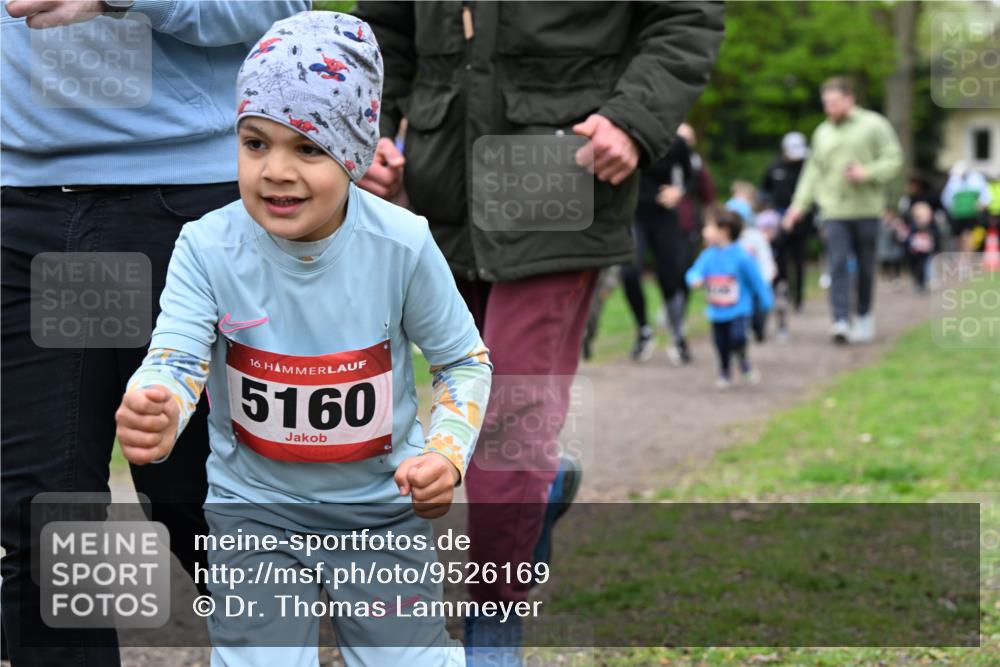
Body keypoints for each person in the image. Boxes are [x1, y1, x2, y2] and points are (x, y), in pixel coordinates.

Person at [351, 2, 725, 663]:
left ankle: (493, 630)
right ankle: (540, 488)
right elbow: (380, 30)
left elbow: (684, 17)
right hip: (442, 191)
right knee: (458, 419)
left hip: (565, 179)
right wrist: (370, 130)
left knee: (506, 420)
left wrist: (632, 120)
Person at [114, 12, 492, 665]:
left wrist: (446, 453)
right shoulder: (206, 246)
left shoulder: (403, 244)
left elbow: (464, 362)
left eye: (308, 148)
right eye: (255, 143)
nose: (275, 171)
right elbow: (175, 353)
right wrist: (159, 402)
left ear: (355, 153)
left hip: (380, 512)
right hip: (252, 516)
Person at [0, 1, 307, 665]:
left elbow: (282, 10)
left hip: (187, 203)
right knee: (40, 519)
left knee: (202, 506)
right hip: (26, 208)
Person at [783, 76, 903, 345]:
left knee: (865, 266)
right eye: (826, 103)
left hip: (867, 210)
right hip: (834, 211)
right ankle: (840, 320)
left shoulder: (874, 125)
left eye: (834, 102)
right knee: (836, 264)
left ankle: (863, 315)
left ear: (850, 99)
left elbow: (894, 159)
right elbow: (811, 173)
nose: (829, 108)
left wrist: (867, 172)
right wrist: (797, 207)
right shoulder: (822, 133)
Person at [622, 134, 694, 362]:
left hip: (664, 216)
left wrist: (679, 192)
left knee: (669, 278)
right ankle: (644, 330)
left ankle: (677, 333)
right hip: (634, 216)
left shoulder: (675, 141)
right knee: (630, 272)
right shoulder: (628, 133)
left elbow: (691, 176)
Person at [686, 207, 773, 390]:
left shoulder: (742, 256)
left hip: (739, 309)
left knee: (738, 337)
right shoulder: (708, 255)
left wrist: (766, 300)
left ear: (724, 230)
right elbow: (694, 271)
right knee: (720, 344)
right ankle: (724, 371)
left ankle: (742, 360)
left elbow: (756, 280)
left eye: (708, 227)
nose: (704, 231)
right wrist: (695, 279)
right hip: (717, 311)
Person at [761, 131, 813, 312]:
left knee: (799, 260)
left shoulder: (806, 168)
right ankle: (781, 292)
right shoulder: (774, 167)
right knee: (779, 259)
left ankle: (798, 298)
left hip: (801, 222)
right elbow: (764, 190)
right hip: (778, 222)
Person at [941, 161, 992, 252]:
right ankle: (961, 258)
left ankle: (969, 256)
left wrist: (981, 204)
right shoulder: (954, 180)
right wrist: (952, 208)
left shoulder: (977, 179)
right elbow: (946, 198)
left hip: (972, 216)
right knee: (958, 238)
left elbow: (986, 196)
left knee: (968, 235)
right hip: (957, 216)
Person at [904, 202, 940, 292]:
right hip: (915, 252)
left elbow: (936, 238)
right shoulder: (912, 228)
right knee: (916, 267)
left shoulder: (932, 227)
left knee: (925, 266)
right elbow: (908, 239)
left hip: (926, 252)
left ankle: (924, 282)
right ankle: (918, 283)